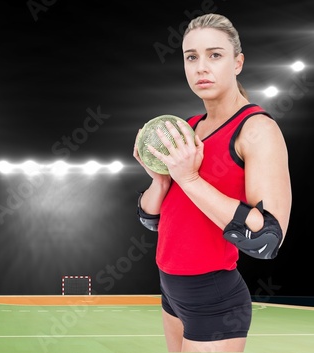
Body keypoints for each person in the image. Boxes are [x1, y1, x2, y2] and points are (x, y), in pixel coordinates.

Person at [133, 13, 292, 352]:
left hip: (215, 299)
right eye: (191, 57)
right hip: (171, 291)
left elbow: (266, 239)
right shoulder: (187, 127)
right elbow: (152, 221)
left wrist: (188, 178)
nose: (201, 67)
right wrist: (160, 182)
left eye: (215, 55)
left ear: (238, 62)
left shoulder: (256, 130)